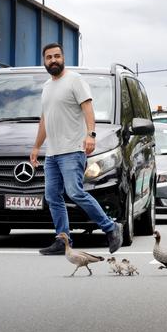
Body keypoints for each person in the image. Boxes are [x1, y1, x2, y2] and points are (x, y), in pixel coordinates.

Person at [30, 42, 123, 256]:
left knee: (75, 192)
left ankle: (110, 227)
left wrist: (91, 134)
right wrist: (36, 146)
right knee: (53, 196)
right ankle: (63, 240)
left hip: (72, 150)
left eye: (57, 56)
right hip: (52, 153)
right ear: (44, 61)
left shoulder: (75, 80)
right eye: (49, 57)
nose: (53, 60)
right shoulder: (46, 87)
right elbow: (45, 120)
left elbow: (88, 109)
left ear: (63, 58)